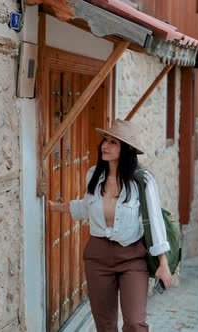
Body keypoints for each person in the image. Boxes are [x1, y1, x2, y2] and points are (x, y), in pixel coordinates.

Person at [49, 119, 171, 332]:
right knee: (105, 325)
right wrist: (53, 207)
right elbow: (87, 207)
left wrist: (163, 263)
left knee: (135, 323)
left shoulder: (142, 181)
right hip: (98, 257)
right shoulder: (94, 176)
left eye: (113, 142)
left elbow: (155, 219)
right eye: (105, 140)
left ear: (126, 149)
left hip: (132, 257)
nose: (105, 146)